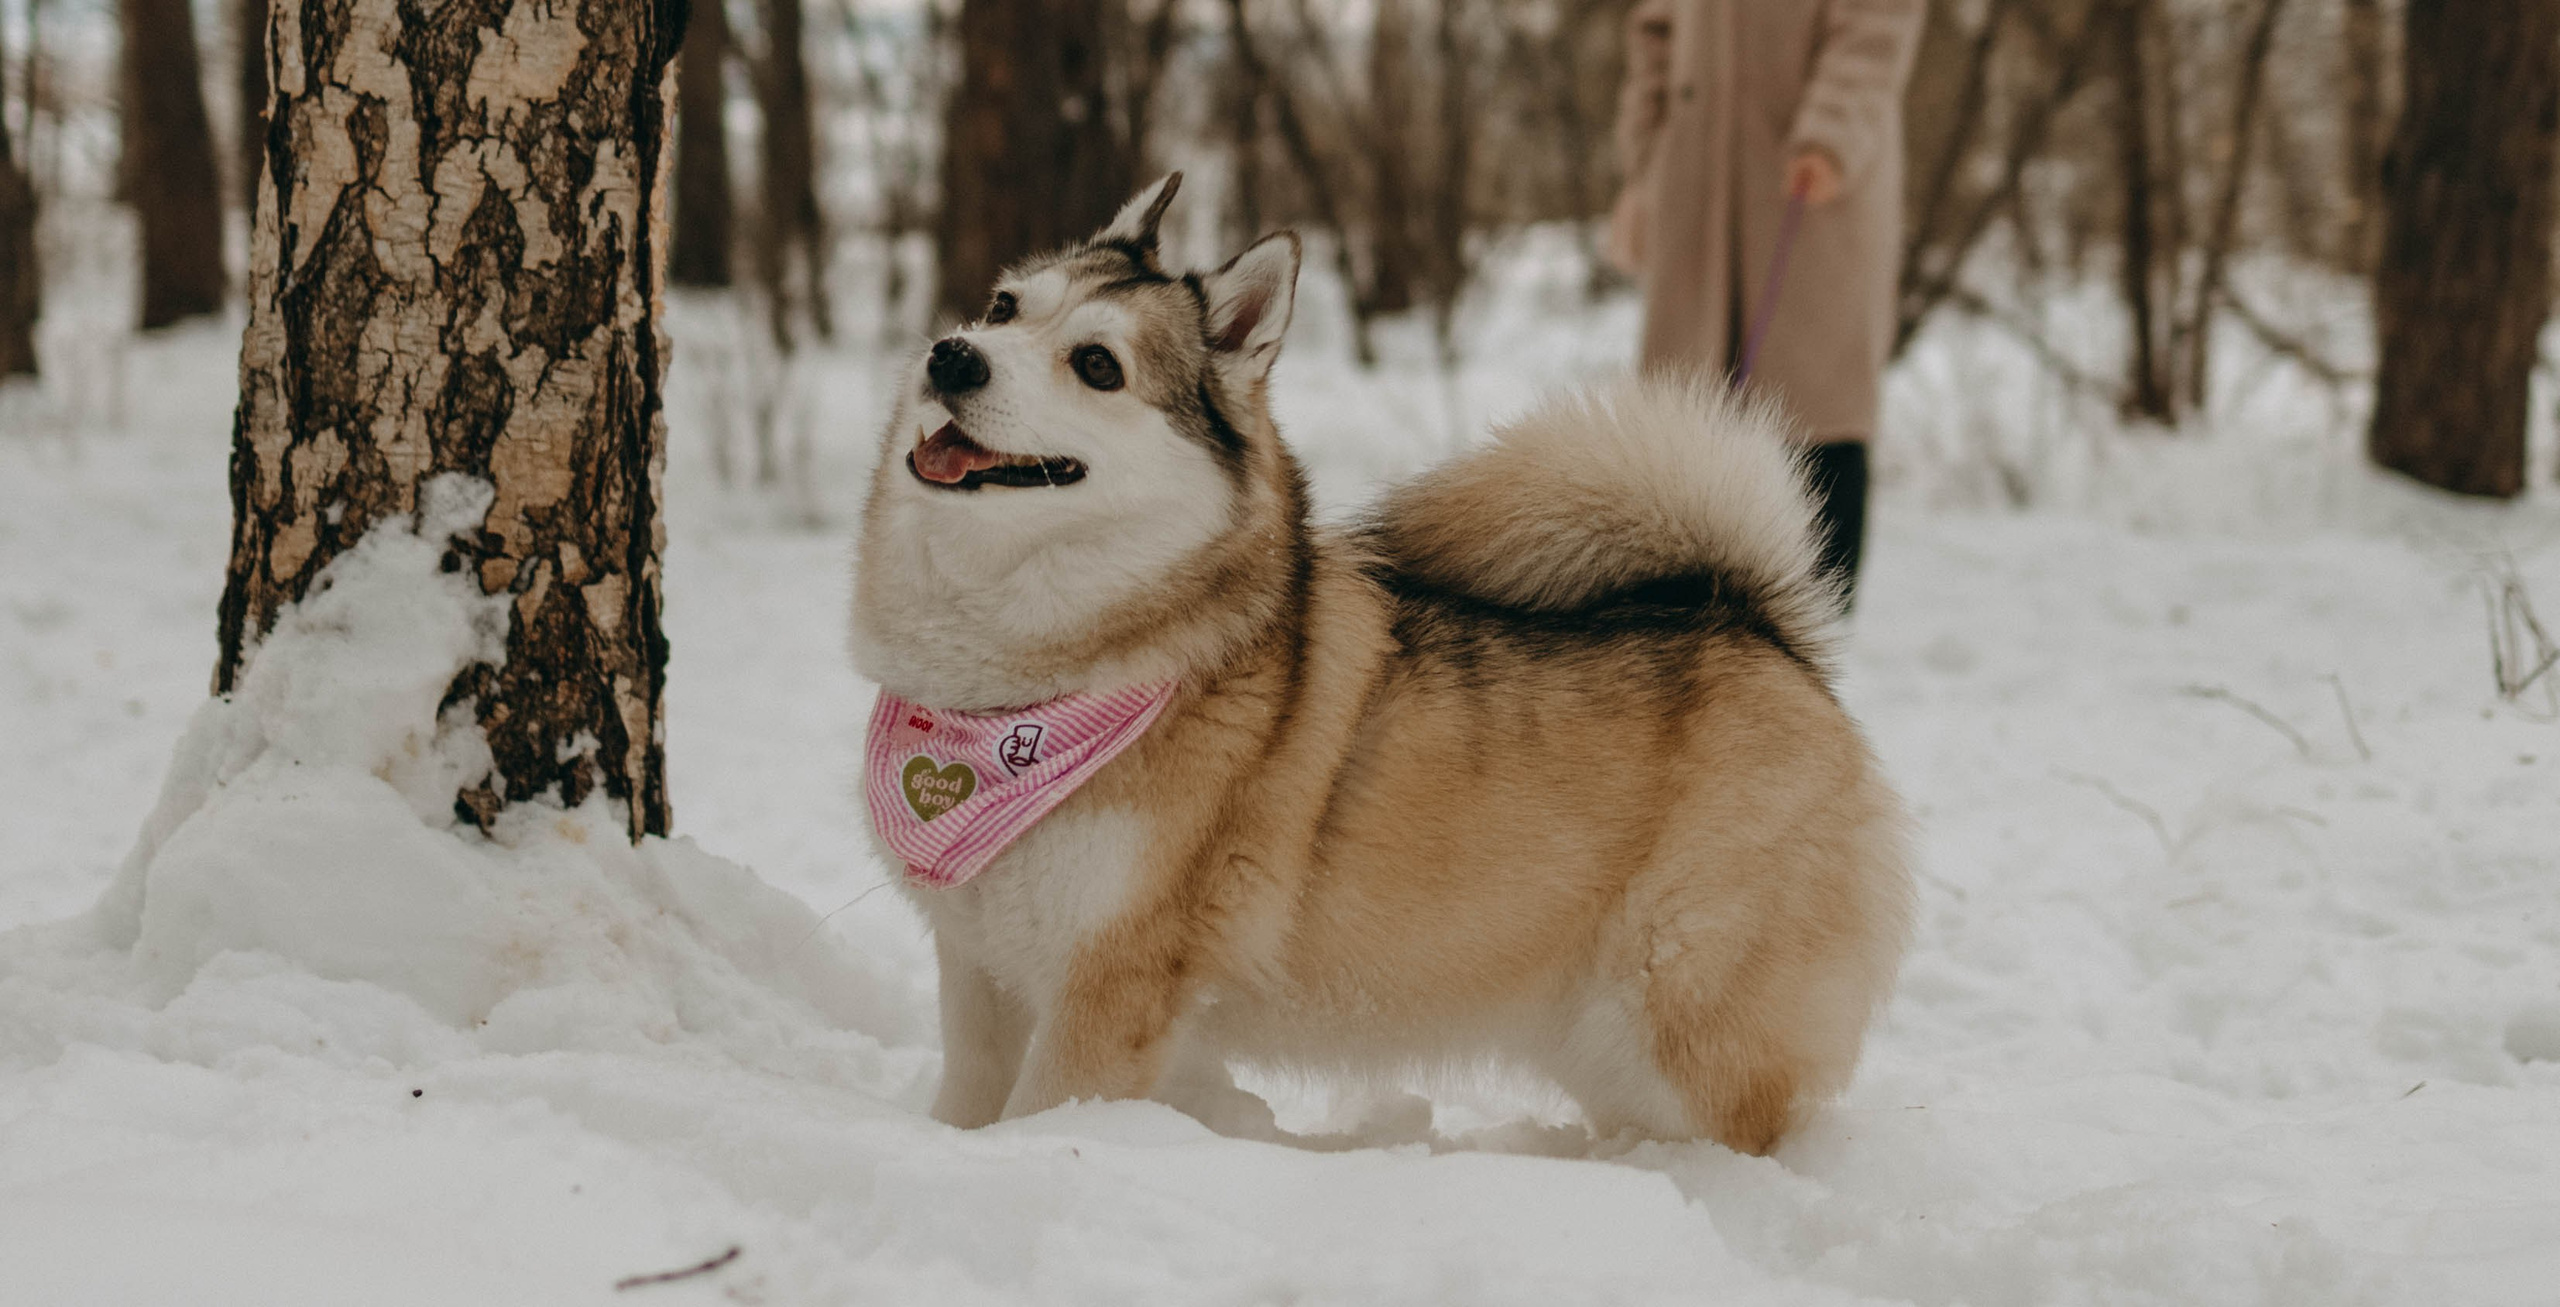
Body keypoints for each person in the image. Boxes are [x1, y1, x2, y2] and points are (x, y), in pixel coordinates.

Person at [1607, 0, 1924, 604]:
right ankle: (1681, 636)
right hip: (1696, 188)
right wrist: (1647, 164)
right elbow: (1656, 34)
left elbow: (1876, 25)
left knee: (1816, 408)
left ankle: (1811, 644)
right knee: (1682, 419)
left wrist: (1830, 133)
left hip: (1813, 189)